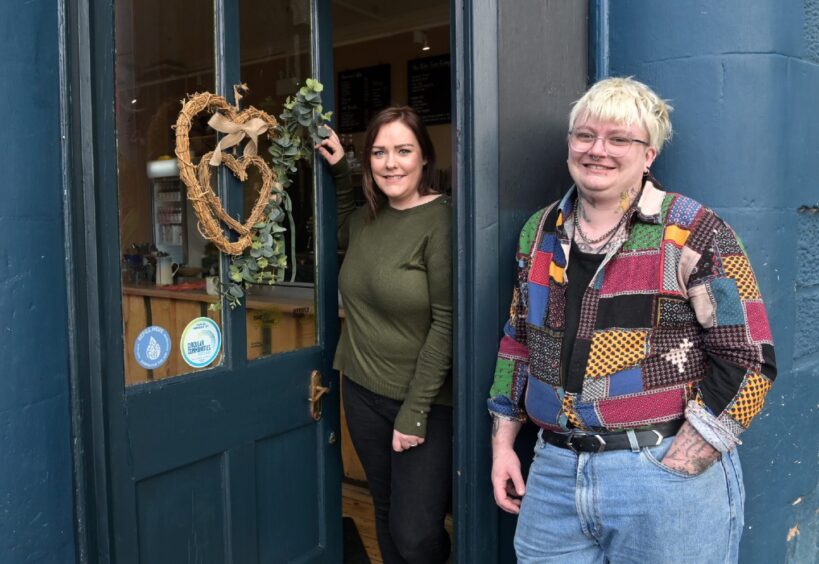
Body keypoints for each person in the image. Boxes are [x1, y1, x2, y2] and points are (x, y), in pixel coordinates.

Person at [488, 77, 776, 563]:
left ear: (648, 155)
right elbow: (519, 340)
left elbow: (748, 357)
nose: (598, 150)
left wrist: (679, 465)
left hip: (658, 473)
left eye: (619, 139)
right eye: (585, 135)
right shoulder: (538, 231)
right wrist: (503, 444)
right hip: (554, 472)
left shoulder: (692, 230)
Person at [316, 106, 452, 564]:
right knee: (385, 508)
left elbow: (447, 322)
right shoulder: (367, 220)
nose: (391, 163)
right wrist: (340, 171)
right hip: (360, 389)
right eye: (379, 152)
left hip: (422, 403)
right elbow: (341, 224)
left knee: (415, 534)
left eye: (403, 150)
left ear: (424, 158)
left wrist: (414, 412)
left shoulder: (442, 221)